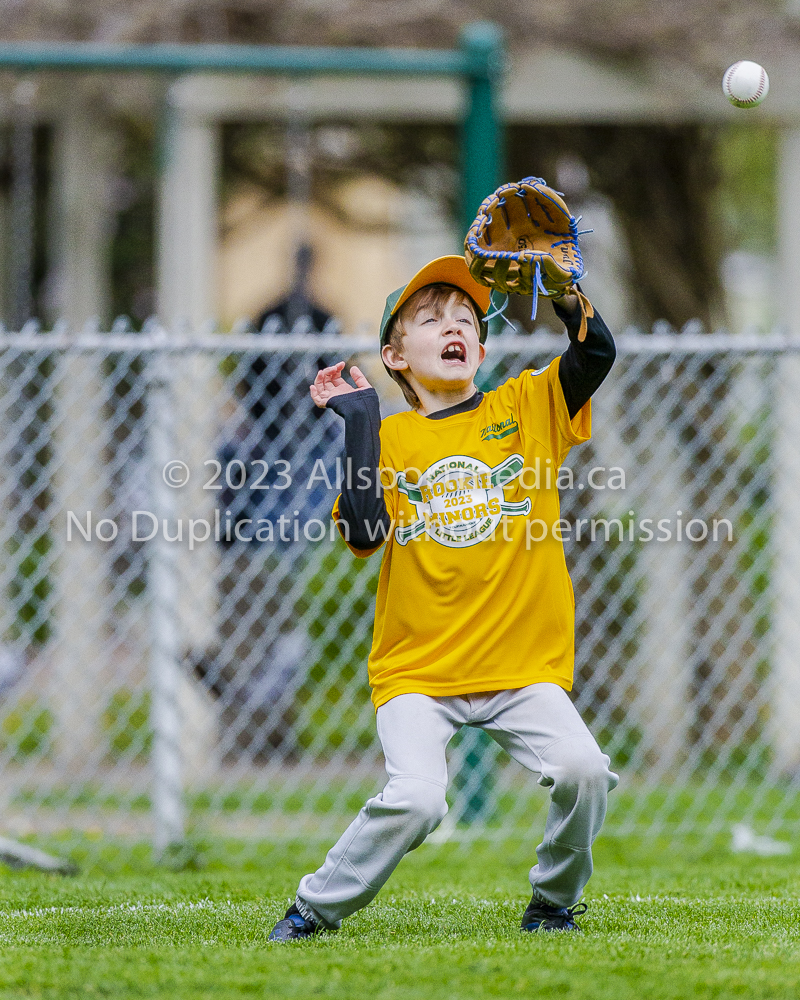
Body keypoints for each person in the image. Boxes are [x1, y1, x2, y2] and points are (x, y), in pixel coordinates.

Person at [269, 254, 619, 940]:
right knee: (419, 800)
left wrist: (567, 293)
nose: (452, 325)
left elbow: (595, 355)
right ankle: (315, 907)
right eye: (430, 319)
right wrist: (361, 421)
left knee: (584, 770)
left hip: (520, 667)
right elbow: (366, 532)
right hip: (418, 673)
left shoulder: (525, 406)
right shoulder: (392, 437)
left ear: (480, 349)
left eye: (465, 318)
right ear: (394, 356)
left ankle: (552, 902)